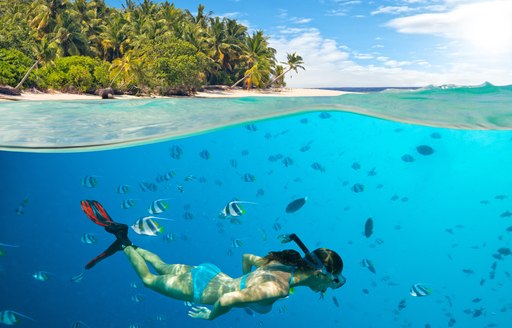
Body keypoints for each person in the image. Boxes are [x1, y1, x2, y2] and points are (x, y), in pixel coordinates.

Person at [80, 200, 346, 320]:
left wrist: (240, 281)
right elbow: (228, 299)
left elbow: (247, 257)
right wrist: (211, 316)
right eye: (335, 282)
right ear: (322, 273)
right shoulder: (279, 288)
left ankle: (130, 244)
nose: (329, 289)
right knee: (149, 280)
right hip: (201, 290)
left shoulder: (282, 264)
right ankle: (125, 242)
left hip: (212, 274)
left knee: (161, 265)